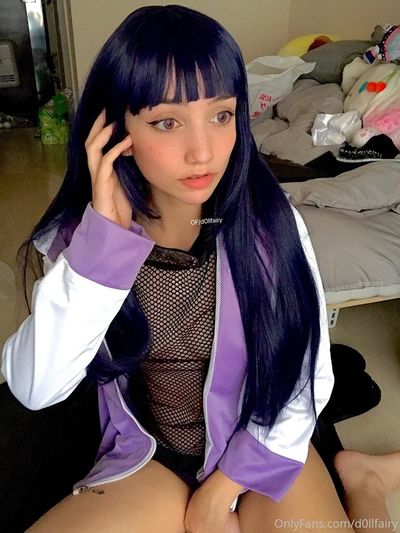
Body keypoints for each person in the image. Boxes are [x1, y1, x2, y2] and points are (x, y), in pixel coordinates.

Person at [1, 5, 399, 532]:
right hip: (149, 453)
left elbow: (306, 377)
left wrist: (221, 491)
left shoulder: (271, 227)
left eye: (221, 115)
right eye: (167, 122)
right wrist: (104, 248)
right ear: (115, 129)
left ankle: (363, 479)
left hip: (257, 443)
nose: (202, 152)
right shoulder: (80, 240)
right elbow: (35, 388)